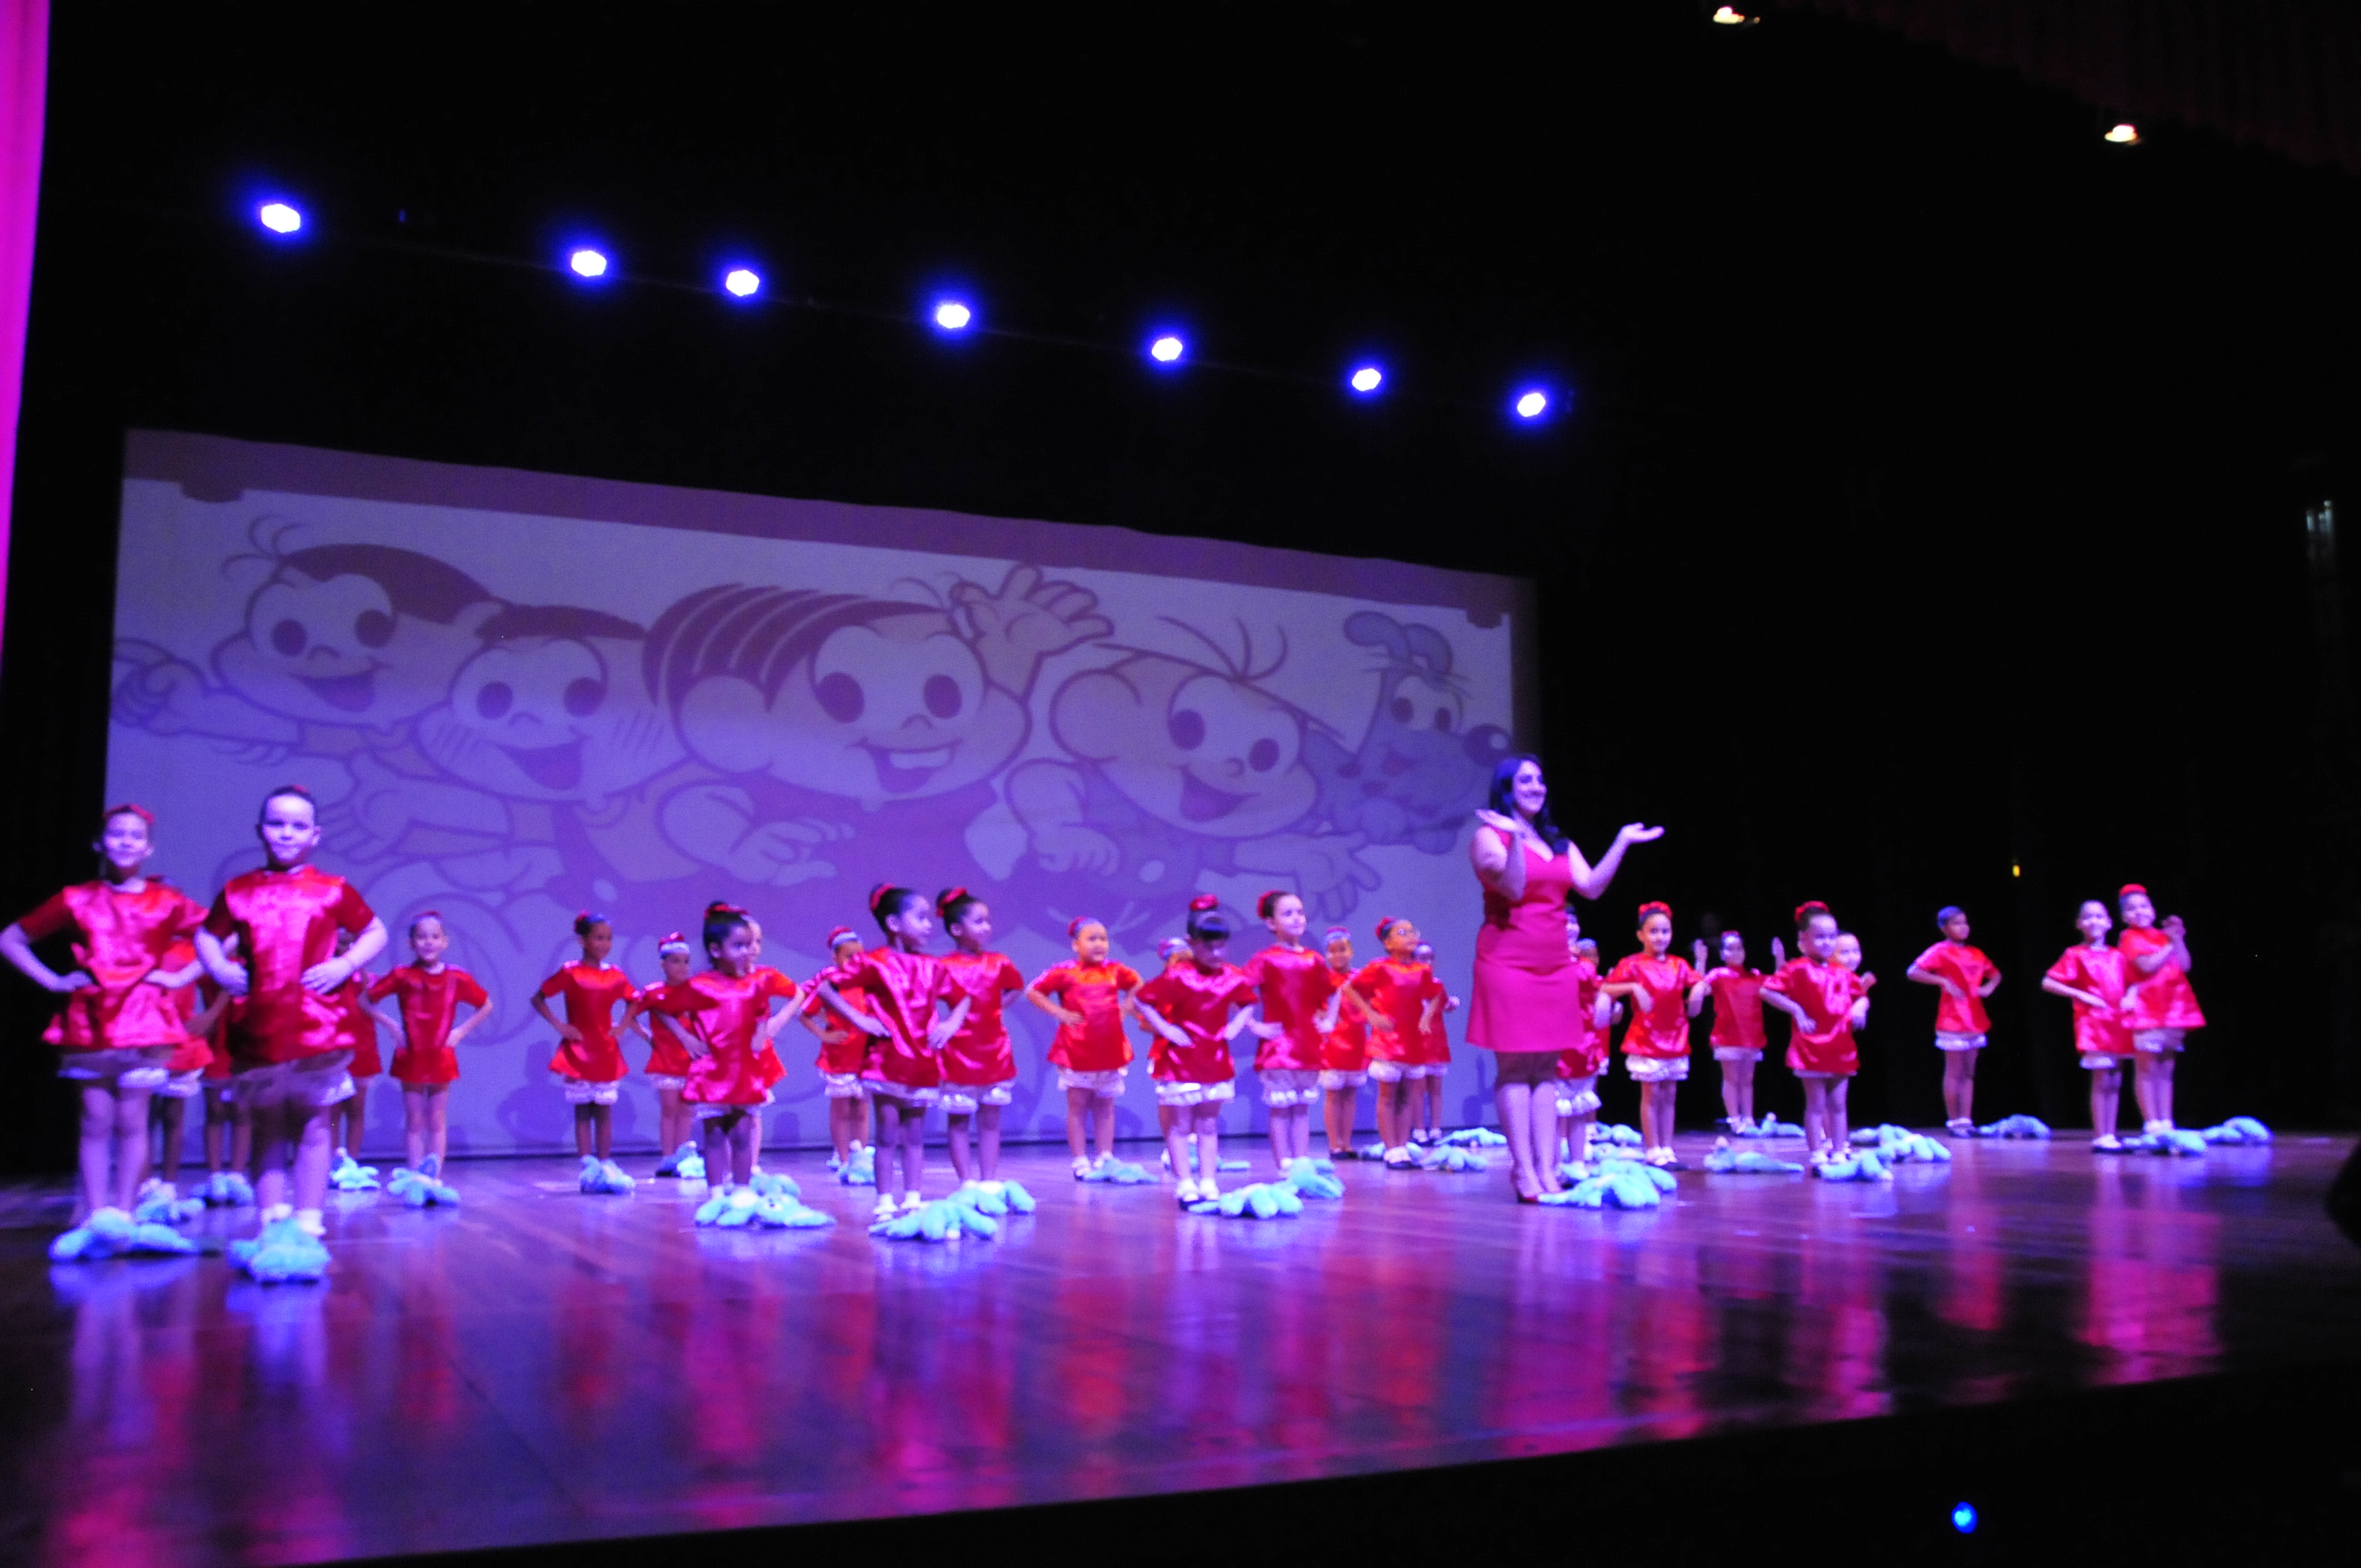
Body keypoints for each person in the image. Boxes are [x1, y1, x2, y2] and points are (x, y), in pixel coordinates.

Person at [195, 785, 390, 1241]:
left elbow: (375, 930)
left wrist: (344, 964)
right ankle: (271, 1223)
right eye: (277, 823)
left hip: (318, 1026)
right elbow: (206, 936)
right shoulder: (239, 891)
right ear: (260, 830)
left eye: (298, 826)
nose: (287, 833)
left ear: (315, 835)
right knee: (268, 1127)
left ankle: (308, 1222)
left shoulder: (332, 889)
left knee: (316, 1125)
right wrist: (221, 968)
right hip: (261, 1025)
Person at [0, 805, 208, 1231]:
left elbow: (217, 934)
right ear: (99, 843)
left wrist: (180, 976)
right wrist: (53, 981)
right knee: (95, 1122)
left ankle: (125, 1214)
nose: (126, 842)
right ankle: (96, 1215)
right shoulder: (75, 899)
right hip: (91, 1020)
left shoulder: (166, 901)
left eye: (136, 835)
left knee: (133, 1121)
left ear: (148, 848)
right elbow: (12, 938)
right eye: (117, 834)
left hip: (144, 1020)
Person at [1468, 753, 1662, 1202]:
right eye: (1525, 780)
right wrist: (1517, 839)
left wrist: (1621, 841)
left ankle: (1547, 1167)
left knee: (1546, 1069)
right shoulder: (1489, 836)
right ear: (1506, 789)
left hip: (1555, 964)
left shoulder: (1557, 841)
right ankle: (1524, 1170)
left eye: (1540, 779)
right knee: (1516, 1067)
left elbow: (1590, 886)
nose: (1536, 787)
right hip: (1507, 961)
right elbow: (1513, 888)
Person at [819, 885, 969, 1219]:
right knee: (887, 1132)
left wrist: (950, 1025)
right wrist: (859, 1019)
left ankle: (913, 1196)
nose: (928, 925)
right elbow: (826, 988)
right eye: (920, 917)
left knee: (914, 1134)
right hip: (887, 1060)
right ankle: (885, 1199)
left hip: (922, 1061)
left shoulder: (932, 966)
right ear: (894, 923)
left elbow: (962, 999)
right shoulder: (874, 962)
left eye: (928, 918)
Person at [1134, 895, 1259, 1204]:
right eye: (1208, 947)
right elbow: (1143, 999)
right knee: (1180, 1125)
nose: (1216, 953)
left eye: (1221, 946)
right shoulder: (1179, 975)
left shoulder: (1231, 975)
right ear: (1192, 943)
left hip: (1214, 1058)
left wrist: (1236, 1025)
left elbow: (1248, 1002)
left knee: (1208, 1123)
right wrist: (1166, 1029)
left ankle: (1208, 1181)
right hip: (1182, 1059)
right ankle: (1185, 1182)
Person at [369, 911, 491, 1179]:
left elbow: (485, 1005)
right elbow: (366, 1001)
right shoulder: (402, 975)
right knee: (414, 1119)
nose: (428, 942)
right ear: (411, 943)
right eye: (421, 937)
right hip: (411, 1053)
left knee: (436, 1118)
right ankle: (416, 1175)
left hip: (440, 1054)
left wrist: (460, 1032)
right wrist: (392, 1027)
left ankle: (433, 1176)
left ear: (444, 942)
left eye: (435, 937)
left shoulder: (456, 977)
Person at [1026, 916, 1143, 1178]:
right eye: (1091, 939)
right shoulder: (1065, 972)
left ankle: (1105, 1156)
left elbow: (1137, 984)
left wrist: (1126, 1007)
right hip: (1076, 1049)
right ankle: (1079, 1159)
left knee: (1106, 1106)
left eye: (1103, 938)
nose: (1099, 944)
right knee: (1078, 1105)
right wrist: (1059, 1013)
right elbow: (1033, 991)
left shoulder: (1115, 970)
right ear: (1075, 945)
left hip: (1110, 1048)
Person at [532, 912, 639, 1192]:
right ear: (582, 940)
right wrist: (559, 1025)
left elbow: (634, 1000)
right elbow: (539, 998)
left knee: (604, 1110)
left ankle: (605, 1163)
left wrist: (623, 1025)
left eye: (608, 939)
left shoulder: (615, 975)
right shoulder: (571, 973)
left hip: (605, 1049)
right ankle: (587, 1166)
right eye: (598, 938)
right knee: (583, 1110)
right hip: (579, 1048)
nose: (604, 944)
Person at [1761, 901, 1870, 1164]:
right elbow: (1767, 991)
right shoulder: (1797, 968)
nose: (1827, 942)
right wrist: (1796, 1010)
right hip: (1811, 1046)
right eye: (1820, 937)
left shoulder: (1842, 972)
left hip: (1840, 1045)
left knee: (1839, 1105)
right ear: (1803, 940)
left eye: (1831, 937)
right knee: (1816, 1105)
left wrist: (1860, 1008)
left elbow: (1861, 995)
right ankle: (1817, 1151)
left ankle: (1840, 1149)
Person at [1600, 902, 1702, 1169]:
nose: (1660, 937)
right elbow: (1606, 988)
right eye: (1653, 931)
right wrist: (1633, 987)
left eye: (1665, 931)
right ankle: (1652, 1147)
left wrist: (1698, 990)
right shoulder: (1633, 964)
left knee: (1670, 1095)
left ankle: (1667, 1147)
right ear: (1641, 935)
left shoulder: (1679, 964)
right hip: (1647, 1038)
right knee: (1652, 1095)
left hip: (1675, 1037)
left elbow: (1698, 982)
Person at [936, 888, 1026, 1188]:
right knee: (959, 1119)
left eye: (987, 921)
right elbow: (924, 1000)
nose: (986, 927)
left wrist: (996, 1008)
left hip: (993, 1048)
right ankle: (966, 1181)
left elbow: (1016, 987)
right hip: (959, 1050)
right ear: (956, 929)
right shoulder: (944, 966)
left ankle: (988, 1180)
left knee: (990, 1118)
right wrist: (943, 1024)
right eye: (978, 921)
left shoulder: (998, 962)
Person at [1241, 891, 1335, 1172]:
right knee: (1281, 1108)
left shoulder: (1314, 959)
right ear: (1271, 923)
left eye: (1300, 912)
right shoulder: (1266, 959)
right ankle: (1284, 1163)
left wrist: (1329, 1021)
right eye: (1288, 913)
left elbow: (1334, 990)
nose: (1296, 918)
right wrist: (1254, 1025)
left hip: (1307, 1043)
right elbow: (1238, 990)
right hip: (1280, 1046)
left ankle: (1301, 1162)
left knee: (1302, 1108)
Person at [2040, 899, 2138, 1150]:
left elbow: (2134, 982)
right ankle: (2101, 1134)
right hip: (2094, 1024)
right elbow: (2048, 982)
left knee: (2115, 1079)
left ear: (2109, 923)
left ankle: (2110, 1133)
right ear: (2079, 924)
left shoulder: (2118, 955)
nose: (2094, 921)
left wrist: (2130, 996)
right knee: (2102, 1079)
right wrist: (2081, 995)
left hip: (2118, 1022)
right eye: (2088, 917)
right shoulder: (2075, 954)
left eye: (2099, 916)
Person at [1349, 917, 1445, 1167]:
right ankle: (1391, 1148)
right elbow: (1351, 988)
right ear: (1388, 943)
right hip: (1388, 1042)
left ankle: (1402, 1147)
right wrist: (1371, 1015)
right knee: (1388, 1096)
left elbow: (1436, 993)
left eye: (1413, 932)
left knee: (1407, 1096)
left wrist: (1427, 1017)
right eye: (1403, 933)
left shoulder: (1421, 970)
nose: (1411, 936)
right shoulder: (1380, 967)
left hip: (1412, 1042)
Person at [2116, 884, 2204, 1134]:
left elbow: (2184, 965)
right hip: (2147, 1008)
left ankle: (2166, 1120)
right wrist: (2168, 944)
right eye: (2132, 909)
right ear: (2124, 916)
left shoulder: (2162, 936)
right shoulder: (2129, 937)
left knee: (2166, 1068)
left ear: (2153, 911)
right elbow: (2147, 966)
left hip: (2173, 1007)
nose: (2139, 911)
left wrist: (2178, 939)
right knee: (2147, 1068)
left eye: (2144, 906)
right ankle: (2151, 1120)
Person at [148, 937, 232, 1200]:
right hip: (145, 1034)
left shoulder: (192, 949)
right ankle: (144, 1181)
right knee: (144, 1117)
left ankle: (168, 1183)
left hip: (179, 1037)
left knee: (173, 1116)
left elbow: (225, 980)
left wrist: (210, 1015)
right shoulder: (144, 946)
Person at [1907, 906, 2003, 1136]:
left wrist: (1988, 988)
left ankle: (1966, 1120)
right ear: (1944, 928)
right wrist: (1943, 981)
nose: (1963, 927)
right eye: (1957, 923)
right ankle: (1954, 1121)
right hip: (1953, 1018)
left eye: (1965, 922)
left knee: (1969, 1072)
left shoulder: (1976, 953)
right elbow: (1913, 971)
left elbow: (1995, 974)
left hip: (1974, 1017)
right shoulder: (1940, 951)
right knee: (1954, 1071)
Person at [796, 926, 872, 1170]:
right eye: (849, 956)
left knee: (861, 1110)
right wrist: (824, 1034)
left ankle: (861, 1157)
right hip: (840, 1056)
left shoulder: (867, 983)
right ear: (835, 957)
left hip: (865, 1055)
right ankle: (843, 1157)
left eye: (859, 956)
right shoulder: (831, 985)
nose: (855, 962)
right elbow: (804, 1013)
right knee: (842, 1110)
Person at [626, 932, 700, 1175]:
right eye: (675, 961)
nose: (682, 966)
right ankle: (667, 1157)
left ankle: (682, 1157)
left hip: (690, 1059)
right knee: (669, 1108)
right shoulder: (654, 992)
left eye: (686, 961)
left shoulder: (695, 991)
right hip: (666, 1059)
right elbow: (630, 1015)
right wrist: (648, 1036)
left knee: (687, 1110)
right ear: (663, 964)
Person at [1693, 929, 1777, 1135]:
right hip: (1728, 1036)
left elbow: (1778, 985)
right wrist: (1701, 961)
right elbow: (1701, 989)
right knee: (1731, 1078)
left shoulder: (1754, 975)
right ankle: (1735, 1119)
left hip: (1752, 1036)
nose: (1737, 952)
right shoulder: (1719, 975)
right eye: (1731, 949)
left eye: (1739, 948)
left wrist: (1779, 958)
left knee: (1747, 1080)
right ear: (1723, 953)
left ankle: (1748, 1118)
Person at [1556, 911, 1611, 1173]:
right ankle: (1553, 1165)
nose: (1570, 928)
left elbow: (1595, 1001)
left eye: (1573, 922)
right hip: (1554, 1040)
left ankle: (1578, 1163)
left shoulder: (1586, 966)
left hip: (1583, 1042)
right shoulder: (1545, 962)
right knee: (1555, 1109)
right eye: (1563, 923)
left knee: (1579, 1106)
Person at [326, 929, 382, 1175]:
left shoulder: (368, 978)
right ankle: (331, 1160)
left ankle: (352, 1161)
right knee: (333, 1110)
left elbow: (372, 998)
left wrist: (359, 967)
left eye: (351, 943)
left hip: (362, 1049)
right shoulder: (328, 976)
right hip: (334, 1049)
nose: (346, 948)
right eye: (341, 943)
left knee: (356, 1108)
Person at [1316, 926, 1374, 1159]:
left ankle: (1347, 1142)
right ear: (1327, 955)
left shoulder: (1361, 979)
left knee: (1350, 1094)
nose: (1338, 955)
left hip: (1356, 1040)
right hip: (1333, 1042)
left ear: (1351, 952)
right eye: (1333, 951)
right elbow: (1316, 1007)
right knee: (1333, 1094)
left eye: (1342, 950)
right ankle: (1334, 1144)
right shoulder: (1324, 979)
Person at [1409, 940, 1456, 1145]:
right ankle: (1419, 1129)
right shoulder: (1408, 985)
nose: (1427, 963)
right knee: (1417, 1089)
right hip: (1417, 1043)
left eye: (1430, 958)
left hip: (1436, 1042)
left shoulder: (1437, 985)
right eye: (1422, 958)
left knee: (1436, 1089)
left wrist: (1452, 1004)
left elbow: (1446, 1005)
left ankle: (1436, 1129)